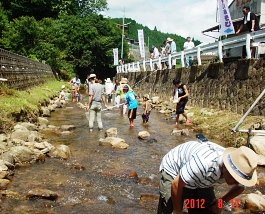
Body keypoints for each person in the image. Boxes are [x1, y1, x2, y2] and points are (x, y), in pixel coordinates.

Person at [157, 139, 258, 214]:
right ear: (227, 168)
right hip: (175, 169)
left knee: (210, 210)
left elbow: (241, 187)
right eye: (236, 179)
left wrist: (222, 201)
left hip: (200, 177)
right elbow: (176, 184)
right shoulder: (204, 163)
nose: (237, 182)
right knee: (169, 210)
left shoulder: (243, 168)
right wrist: (177, 210)